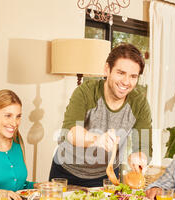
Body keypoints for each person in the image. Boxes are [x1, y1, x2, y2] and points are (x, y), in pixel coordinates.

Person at [49, 43, 152, 187]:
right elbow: (70, 131)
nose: (126, 82)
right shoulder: (86, 92)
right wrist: (97, 139)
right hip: (67, 172)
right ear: (107, 69)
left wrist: (139, 157)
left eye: (133, 76)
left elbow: (144, 145)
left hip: (107, 176)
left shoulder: (139, 103)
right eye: (120, 73)